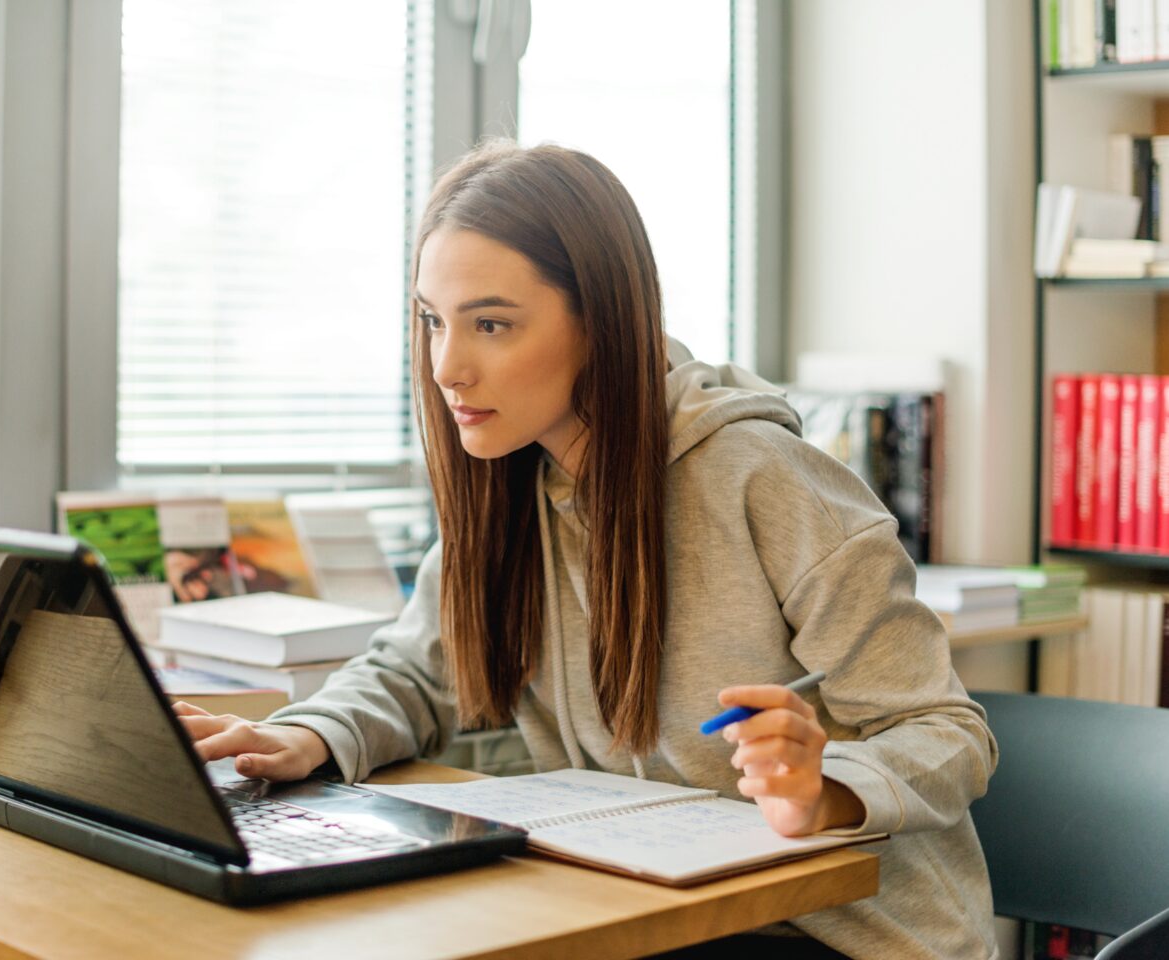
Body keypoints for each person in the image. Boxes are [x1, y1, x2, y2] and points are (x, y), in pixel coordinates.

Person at [173, 140, 999, 960]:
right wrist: (309, 736)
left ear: (601, 320)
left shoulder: (762, 478)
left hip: (837, 929)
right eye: (432, 321)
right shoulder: (512, 482)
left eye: (490, 323)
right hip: (645, 905)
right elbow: (415, 673)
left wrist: (824, 792)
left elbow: (945, 731)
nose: (447, 367)